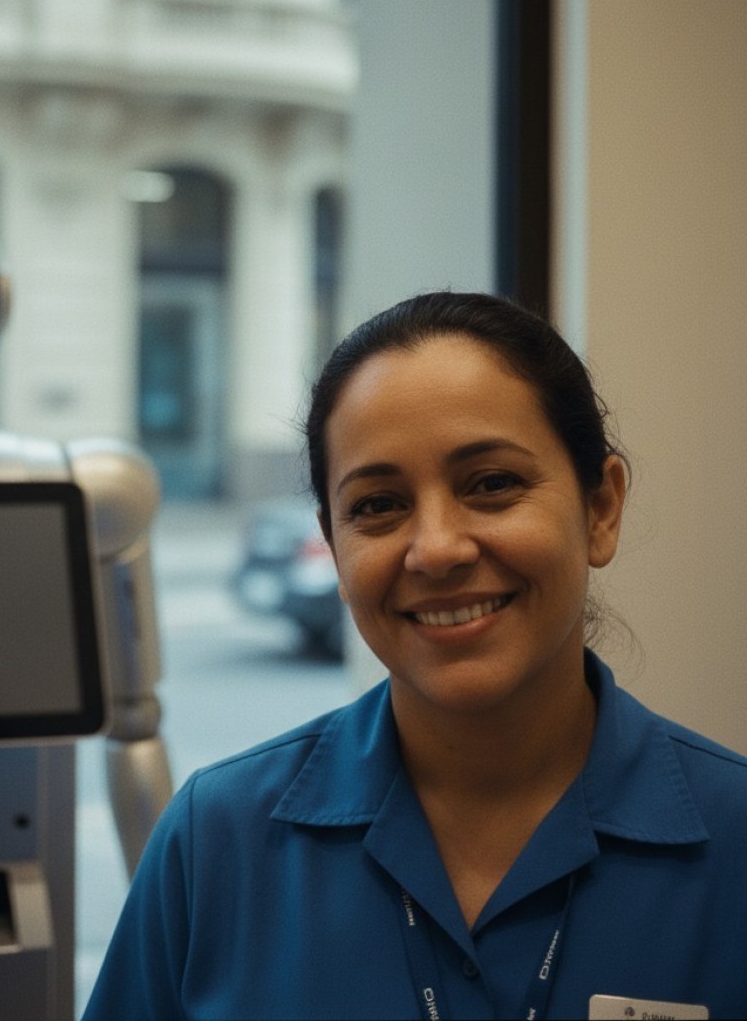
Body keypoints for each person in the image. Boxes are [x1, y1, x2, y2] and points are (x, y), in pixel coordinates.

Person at [82, 292, 747, 1021]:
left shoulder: (733, 838)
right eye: (378, 505)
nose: (436, 550)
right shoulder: (216, 841)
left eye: (492, 484)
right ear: (335, 549)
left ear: (601, 508)